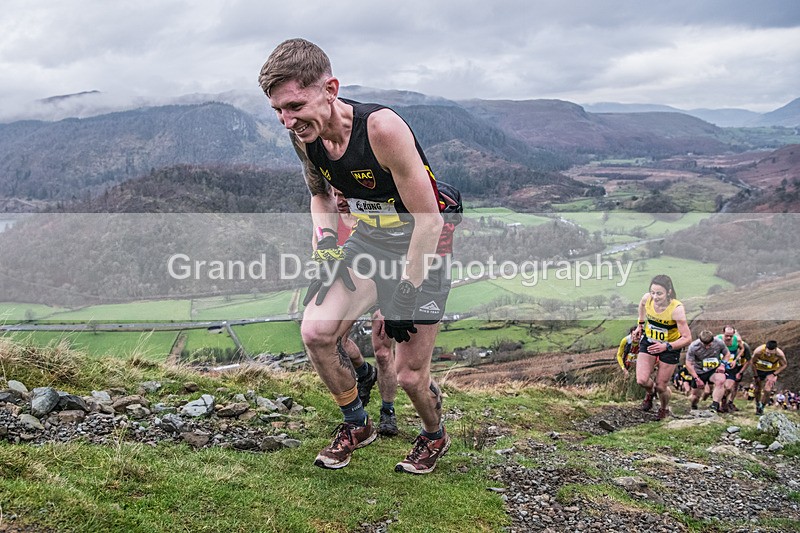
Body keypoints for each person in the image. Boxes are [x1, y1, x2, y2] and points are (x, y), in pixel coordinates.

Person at [259, 38, 455, 474]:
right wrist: (327, 245)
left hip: (421, 247)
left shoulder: (381, 129)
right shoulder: (305, 137)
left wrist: (407, 290)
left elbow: (430, 222)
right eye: (278, 111)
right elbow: (320, 197)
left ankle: (433, 434)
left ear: (330, 89)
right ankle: (357, 423)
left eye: (294, 105)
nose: (286, 121)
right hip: (368, 242)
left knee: (408, 376)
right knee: (316, 331)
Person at [331, 184, 399, 436]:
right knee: (335, 341)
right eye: (335, 194)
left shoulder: (372, 216)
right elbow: (321, 250)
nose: (339, 201)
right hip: (352, 287)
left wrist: (386, 303)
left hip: (382, 284)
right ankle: (364, 372)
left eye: (344, 195)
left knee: (383, 352)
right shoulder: (329, 219)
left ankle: (388, 411)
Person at [634, 274, 692, 420]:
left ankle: (664, 408)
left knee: (661, 386)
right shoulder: (647, 298)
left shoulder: (676, 309)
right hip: (649, 341)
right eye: (653, 292)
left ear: (669, 292)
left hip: (670, 346)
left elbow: (687, 338)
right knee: (641, 380)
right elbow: (641, 306)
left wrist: (666, 346)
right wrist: (640, 325)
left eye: (659, 293)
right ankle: (650, 392)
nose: (655, 296)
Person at [684, 330, 731, 412]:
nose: (707, 347)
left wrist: (722, 365)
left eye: (709, 345)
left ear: (713, 340)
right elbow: (688, 364)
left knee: (721, 380)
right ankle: (693, 404)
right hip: (699, 372)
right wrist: (696, 379)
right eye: (704, 345)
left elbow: (727, 354)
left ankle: (714, 406)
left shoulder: (719, 342)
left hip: (713, 370)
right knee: (695, 397)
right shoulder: (693, 346)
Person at [750, 340, 789, 415]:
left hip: (771, 371)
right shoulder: (758, 351)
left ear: (775, 350)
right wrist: (756, 375)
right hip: (759, 369)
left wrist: (774, 374)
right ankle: (758, 403)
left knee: (767, 390)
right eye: (767, 353)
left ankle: (762, 407)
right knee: (758, 388)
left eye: (771, 353)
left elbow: (784, 365)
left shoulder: (779, 354)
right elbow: (752, 362)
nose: (768, 355)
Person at [718, 326, 751, 413]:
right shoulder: (718, 339)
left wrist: (740, 371)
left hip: (735, 366)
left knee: (731, 387)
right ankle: (719, 403)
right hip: (721, 365)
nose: (729, 338)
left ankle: (729, 402)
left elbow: (748, 360)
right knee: (720, 384)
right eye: (727, 336)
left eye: (731, 336)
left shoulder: (743, 345)